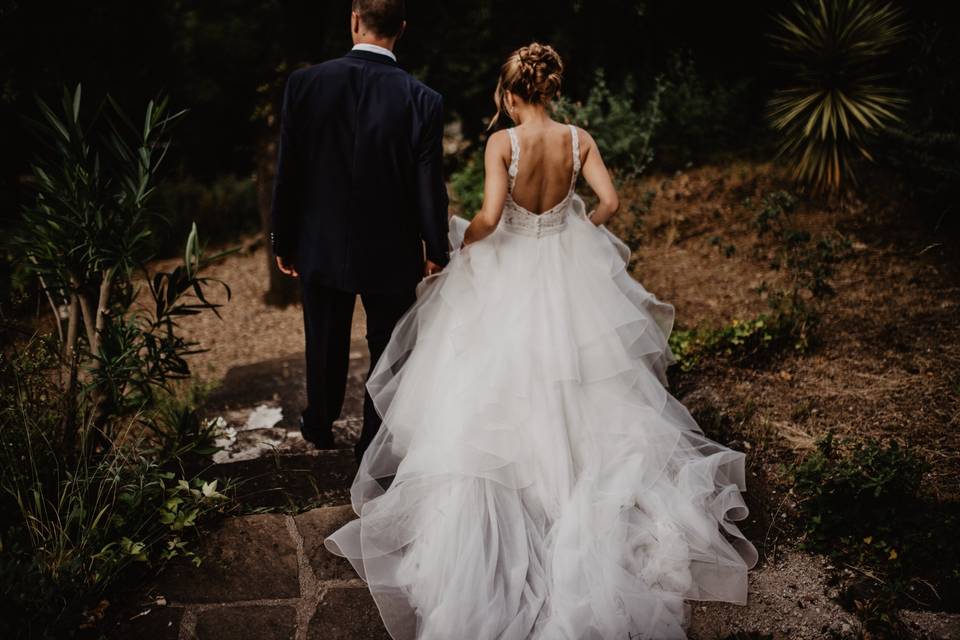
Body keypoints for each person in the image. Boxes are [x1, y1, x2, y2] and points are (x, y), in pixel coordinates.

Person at [325, 42, 757, 639]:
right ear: (549, 89)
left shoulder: (504, 142)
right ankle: (574, 486)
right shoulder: (578, 139)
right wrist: (574, 229)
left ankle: (517, 495)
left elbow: (493, 217)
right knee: (582, 378)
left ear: (508, 94)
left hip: (512, 270)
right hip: (565, 269)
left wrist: (458, 245)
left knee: (496, 378)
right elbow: (609, 202)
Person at [271, 0, 448, 461]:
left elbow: (287, 171)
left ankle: (320, 423)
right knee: (388, 345)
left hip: (319, 241)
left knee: (324, 336)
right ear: (402, 29)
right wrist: (436, 248)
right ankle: (372, 439)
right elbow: (428, 183)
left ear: (354, 21)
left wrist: (283, 239)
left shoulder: (304, 85)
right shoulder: (422, 99)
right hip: (391, 248)